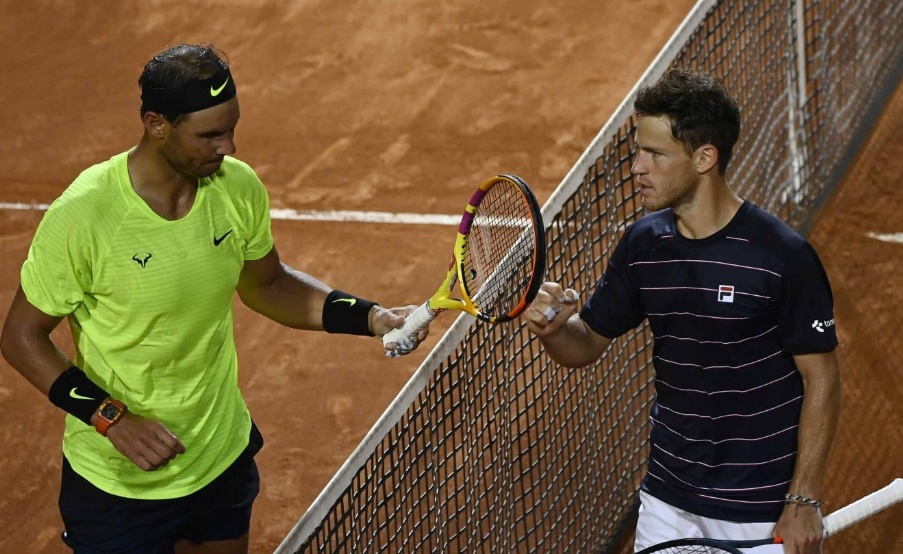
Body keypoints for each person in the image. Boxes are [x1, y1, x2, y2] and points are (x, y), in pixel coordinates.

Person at [0, 43, 427, 554]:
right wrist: (109, 417)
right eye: (209, 134)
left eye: (232, 128)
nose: (227, 147)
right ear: (157, 124)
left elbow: (267, 285)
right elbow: (21, 336)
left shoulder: (236, 188)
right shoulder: (86, 215)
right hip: (120, 484)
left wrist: (372, 317)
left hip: (218, 454)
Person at [524, 67, 840, 554]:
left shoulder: (781, 256)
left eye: (654, 154)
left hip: (757, 506)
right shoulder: (643, 245)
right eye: (637, 151)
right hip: (669, 497)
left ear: (704, 158)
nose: (637, 168)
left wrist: (803, 499)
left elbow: (822, 378)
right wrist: (553, 329)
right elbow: (585, 342)